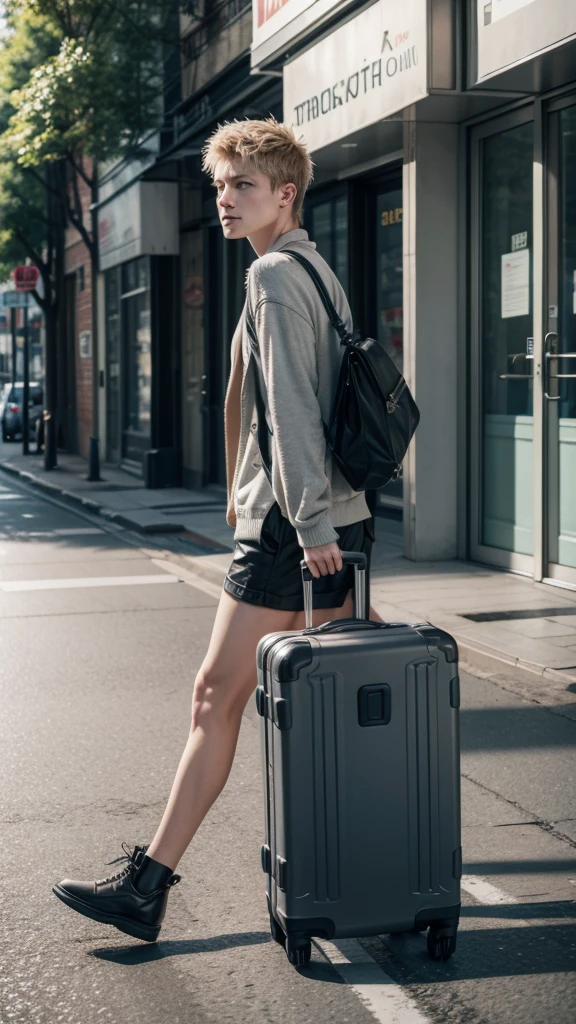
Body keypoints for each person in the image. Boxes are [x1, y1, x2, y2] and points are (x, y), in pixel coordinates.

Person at [52, 117, 383, 943]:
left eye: (242, 185)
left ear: (285, 193)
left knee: (214, 697)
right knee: (328, 703)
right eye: (220, 185)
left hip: (292, 530)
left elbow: (297, 411)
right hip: (327, 520)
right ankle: (374, 865)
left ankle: (148, 885)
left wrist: (302, 523)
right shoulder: (312, 269)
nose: (225, 199)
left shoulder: (274, 274)